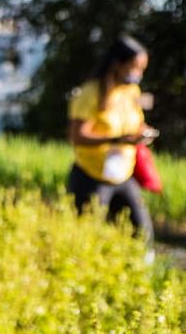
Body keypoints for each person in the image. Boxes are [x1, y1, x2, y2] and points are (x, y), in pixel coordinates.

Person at [66, 36, 157, 238]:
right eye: (135, 67)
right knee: (88, 236)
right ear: (118, 64)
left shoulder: (131, 91)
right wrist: (116, 139)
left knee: (143, 234)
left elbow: (135, 122)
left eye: (142, 69)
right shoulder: (90, 93)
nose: (138, 74)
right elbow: (76, 136)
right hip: (92, 176)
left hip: (123, 174)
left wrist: (142, 133)